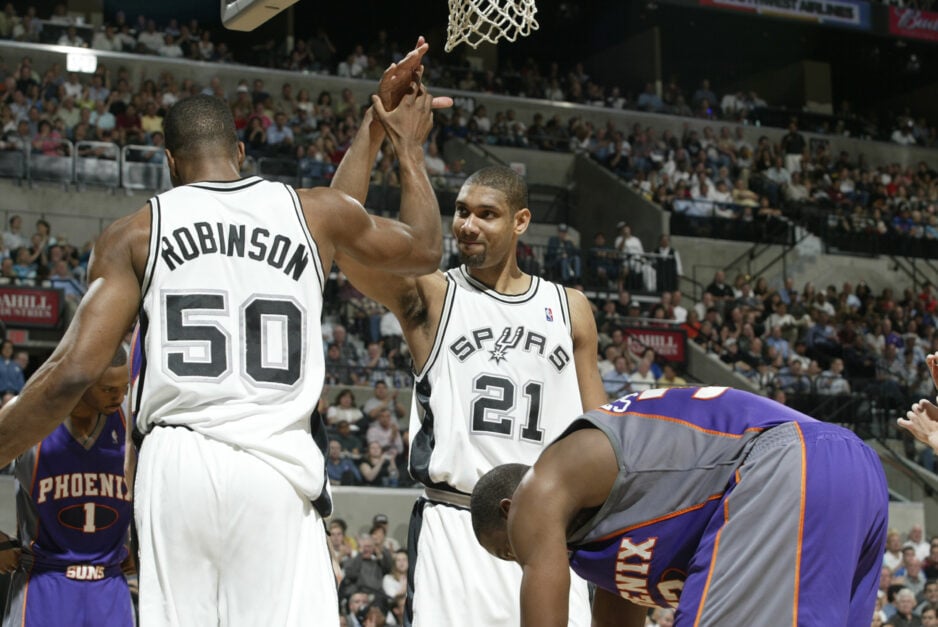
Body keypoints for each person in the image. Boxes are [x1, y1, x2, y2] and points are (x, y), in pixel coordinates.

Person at [0, 40, 447, 627]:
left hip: (178, 462)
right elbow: (424, 249)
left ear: (168, 161)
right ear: (240, 151)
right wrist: (404, 145)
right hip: (275, 462)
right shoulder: (312, 213)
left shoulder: (135, 232)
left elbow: (73, 372)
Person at [329, 80, 604, 624]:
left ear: (521, 222)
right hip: (457, 526)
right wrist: (381, 133)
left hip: (549, 530)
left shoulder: (569, 308)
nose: (466, 225)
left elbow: (600, 433)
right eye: (460, 211)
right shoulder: (433, 294)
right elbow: (338, 235)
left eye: (486, 214)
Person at [470, 386, 889, 626]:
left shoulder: (540, 487)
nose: (518, 556)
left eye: (506, 549)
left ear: (510, 510)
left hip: (786, 459)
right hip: (854, 474)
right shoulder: (602, 543)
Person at [1, 347, 133, 627]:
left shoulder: (132, 420)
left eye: (124, 387)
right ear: (81, 379)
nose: (119, 396)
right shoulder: (27, 415)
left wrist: (142, 543)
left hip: (110, 585)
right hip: (43, 583)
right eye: (109, 389)